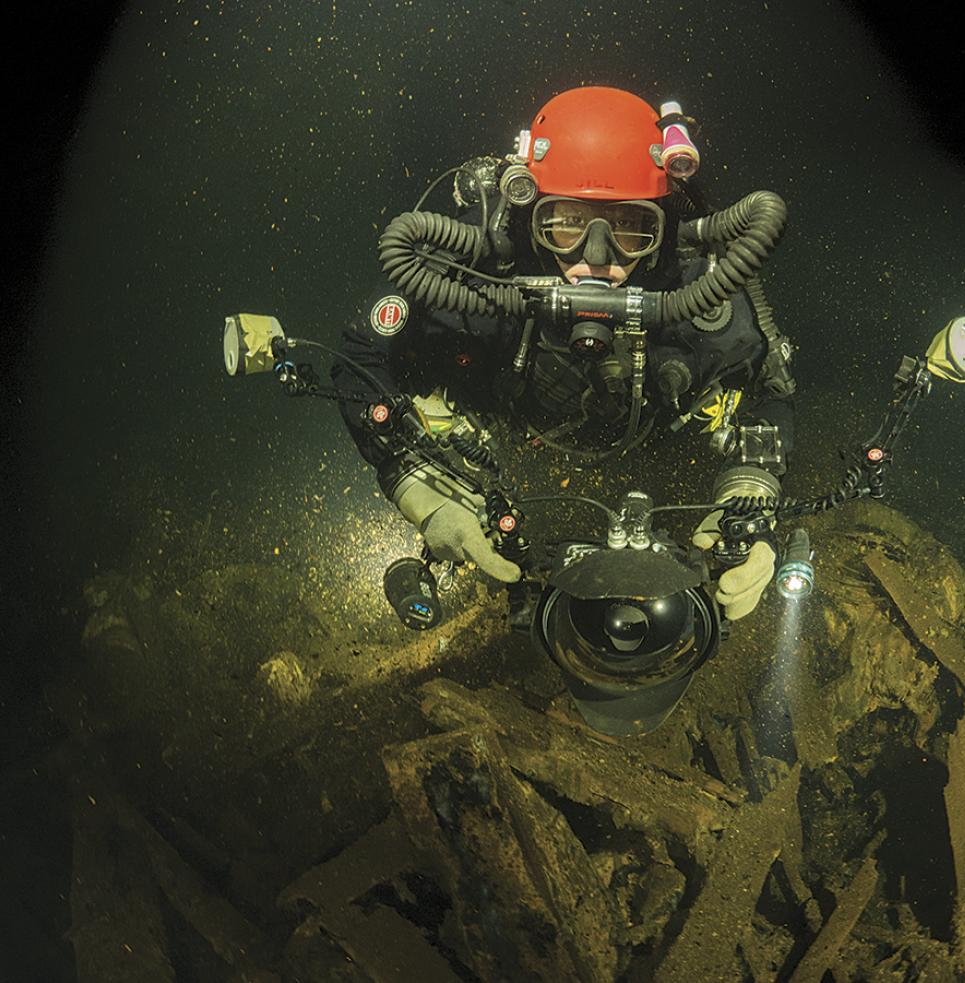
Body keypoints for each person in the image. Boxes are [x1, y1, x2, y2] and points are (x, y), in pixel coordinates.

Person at [333, 86, 798, 624]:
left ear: (662, 227)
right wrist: (417, 486)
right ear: (532, 217)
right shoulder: (484, 287)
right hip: (502, 446)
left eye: (629, 229)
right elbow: (362, 351)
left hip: (657, 456)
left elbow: (769, 386)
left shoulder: (695, 292)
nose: (596, 260)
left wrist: (750, 505)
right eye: (567, 223)